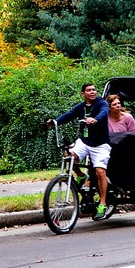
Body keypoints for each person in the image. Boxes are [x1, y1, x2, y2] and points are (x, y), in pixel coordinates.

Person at [49, 83, 111, 220]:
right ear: (83, 93)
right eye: (89, 90)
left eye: (94, 90)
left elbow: (104, 112)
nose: (92, 92)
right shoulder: (81, 107)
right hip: (85, 142)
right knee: (69, 156)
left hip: (100, 144)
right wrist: (55, 122)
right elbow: (69, 114)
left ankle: (102, 204)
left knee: (100, 171)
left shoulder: (101, 103)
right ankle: (81, 176)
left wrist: (95, 119)